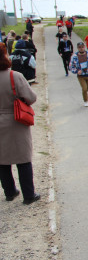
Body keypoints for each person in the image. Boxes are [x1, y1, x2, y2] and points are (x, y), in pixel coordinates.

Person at [0, 43, 40, 205]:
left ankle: (9, 192)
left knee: (2, 160)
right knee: (23, 158)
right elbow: (31, 98)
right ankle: (28, 195)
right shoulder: (14, 76)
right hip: (15, 120)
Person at [70, 42, 88, 107]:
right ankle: (86, 101)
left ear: (84, 47)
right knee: (84, 89)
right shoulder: (75, 57)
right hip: (81, 76)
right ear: (77, 48)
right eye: (79, 47)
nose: (81, 48)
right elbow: (71, 66)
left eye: (82, 47)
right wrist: (76, 71)